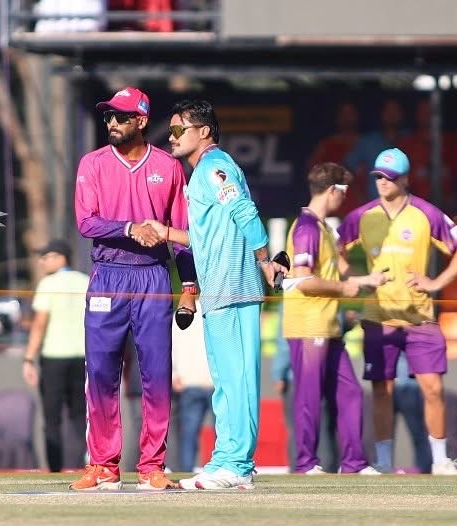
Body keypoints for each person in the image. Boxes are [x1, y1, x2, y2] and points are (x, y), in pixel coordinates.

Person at [146, 98, 287, 490]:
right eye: (171, 130)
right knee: (225, 380)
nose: (172, 137)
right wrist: (165, 232)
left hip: (234, 287)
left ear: (204, 131)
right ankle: (226, 459)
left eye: (179, 130)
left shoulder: (214, 166)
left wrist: (264, 260)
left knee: (237, 379)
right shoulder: (202, 174)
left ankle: (238, 465)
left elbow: (245, 211)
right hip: (217, 290)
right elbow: (203, 236)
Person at [70, 87, 195, 491]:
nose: (112, 123)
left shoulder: (168, 166)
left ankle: (152, 466)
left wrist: (189, 285)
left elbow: (182, 234)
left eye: (121, 117)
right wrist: (129, 228)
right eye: (108, 116)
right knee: (101, 370)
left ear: (140, 121)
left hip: (153, 276)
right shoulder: (92, 163)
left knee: (156, 372)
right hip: (107, 274)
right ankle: (103, 465)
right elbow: (86, 222)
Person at [338, 147, 457, 475]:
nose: (382, 183)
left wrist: (436, 282)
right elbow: (332, 248)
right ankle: (385, 462)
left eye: (389, 177)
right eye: (378, 176)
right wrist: (356, 279)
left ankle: (440, 460)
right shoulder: (362, 216)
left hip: (420, 317)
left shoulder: (426, 213)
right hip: (378, 317)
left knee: (433, 388)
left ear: (404, 179)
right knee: (382, 390)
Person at [282, 162, 387, 475]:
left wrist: (367, 280)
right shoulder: (306, 228)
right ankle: (306, 463)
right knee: (309, 397)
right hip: (308, 325)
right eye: (344, 191)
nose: (345, 197)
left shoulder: (324, 228)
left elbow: (337, 270)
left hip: (329, 326)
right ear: (332, 190)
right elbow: (302, 280)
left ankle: (354, 463)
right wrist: (344, 288)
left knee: (350, 392)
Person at [22, 239, 90, 473]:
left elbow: (40, 323)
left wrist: (29, 358)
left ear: (62, 257)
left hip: (54, 357)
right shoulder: (86, 281)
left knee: (52, 416)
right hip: (83, 357)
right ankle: (82, 465)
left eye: (47, 256)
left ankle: (54, 467)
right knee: (80, 416)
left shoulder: (47, 284)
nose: (42, 261)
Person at [172, 298, 214, 474]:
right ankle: (220, 470)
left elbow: (173, 343)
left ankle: (186, 472)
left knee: (189, 434)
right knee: (223, 433)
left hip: (189, 380)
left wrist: (175, 373)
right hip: (215, 380)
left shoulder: (181, 312)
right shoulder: (217, 307)